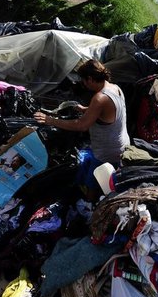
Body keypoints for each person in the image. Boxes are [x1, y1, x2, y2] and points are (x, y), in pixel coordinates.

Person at [34, 59, 130, 198]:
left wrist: (51, 120)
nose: (84, 84)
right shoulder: (115, 88)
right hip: (121, 143)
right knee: (107, 177)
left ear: (90, 79)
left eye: (84, 81)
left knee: (93, 185)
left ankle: (88, 205)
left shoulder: (99, 98)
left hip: (107, 151)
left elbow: (81, 125)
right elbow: (109, 111)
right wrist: (85, 109)